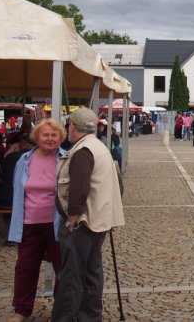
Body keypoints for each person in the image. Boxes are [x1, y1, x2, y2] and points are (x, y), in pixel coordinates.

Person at [51, 107, 124, 321]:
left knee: (72, 277)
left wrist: (72, 218)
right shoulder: (98, 146)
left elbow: (79, 189)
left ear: (71, 126)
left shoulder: (83, 151)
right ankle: (90, 317)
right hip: (97, 221)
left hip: (82, 223)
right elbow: (118, 185)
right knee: (92, 273)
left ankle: (65, 318)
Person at [6, 119, 66, 322]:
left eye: (54, 135)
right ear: (37, 138)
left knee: (62, 267)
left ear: (61, 138)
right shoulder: (24, 160)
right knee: (25, 267)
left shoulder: (65, 160)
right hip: (29, 222)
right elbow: (17, 192)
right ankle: (21, 310)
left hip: (57, 223)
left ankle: (61, 310)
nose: (49, 139)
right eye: (45, 135)